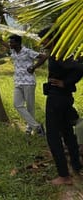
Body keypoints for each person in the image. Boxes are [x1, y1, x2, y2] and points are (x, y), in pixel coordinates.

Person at [38, 27, 83, 185]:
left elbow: (80, 68)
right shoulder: (63, 52)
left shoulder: (59, 53)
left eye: (44, 39)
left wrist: (65, 83)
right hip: (63, 98)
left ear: (52, 38)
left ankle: (64, 176)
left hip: (57, 98)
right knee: (67, 133)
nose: (42, 42)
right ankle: (76, 166)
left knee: (53, 136)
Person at [0, 30, 47, 135]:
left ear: (18, 43)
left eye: (12, 42)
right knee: (17, 104)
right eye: (10, 42)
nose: (10, 44)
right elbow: (1, 41)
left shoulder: (27, 51)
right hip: (18, 82)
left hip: (29, 82)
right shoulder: (13, 51)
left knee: (30, 107)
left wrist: (34, 67)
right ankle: (37, 127)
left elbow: (43, 57)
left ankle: (29, 129)